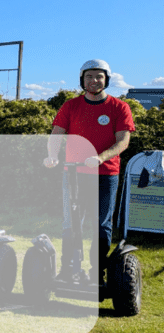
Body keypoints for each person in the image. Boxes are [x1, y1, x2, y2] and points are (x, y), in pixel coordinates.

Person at [44, 59, 134, 284]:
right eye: (89, 76)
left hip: (105, 175)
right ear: (82, 79)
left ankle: (98, 273)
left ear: (106, 79)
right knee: (71, 222)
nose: (94, 81)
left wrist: (100, 157)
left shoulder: (118, 107)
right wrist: (52, 155)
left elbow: (123, 142)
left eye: (98, 76)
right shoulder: (71, 106)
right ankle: (69, 269)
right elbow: (57, 134)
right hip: (74, 174)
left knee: (101, 225)